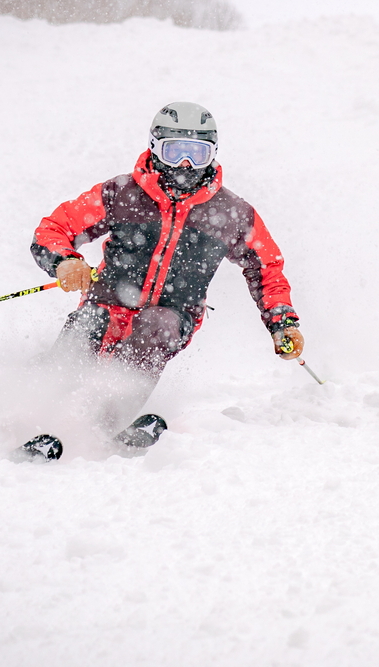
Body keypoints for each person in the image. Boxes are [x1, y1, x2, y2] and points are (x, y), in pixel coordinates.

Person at [25, 101, 303, 456]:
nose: (185, 164)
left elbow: (267, 269)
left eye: (197, 154)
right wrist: (64, 261)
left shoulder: (231, 213)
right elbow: (55, 228)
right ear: (156, 148)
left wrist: (282, 322)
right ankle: (30, 419)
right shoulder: (121, 194)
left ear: (213, 155)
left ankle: (103, 425)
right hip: (107, 301)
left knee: (157, 328)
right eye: (176, 152)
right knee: (85, 331)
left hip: (172, 311)